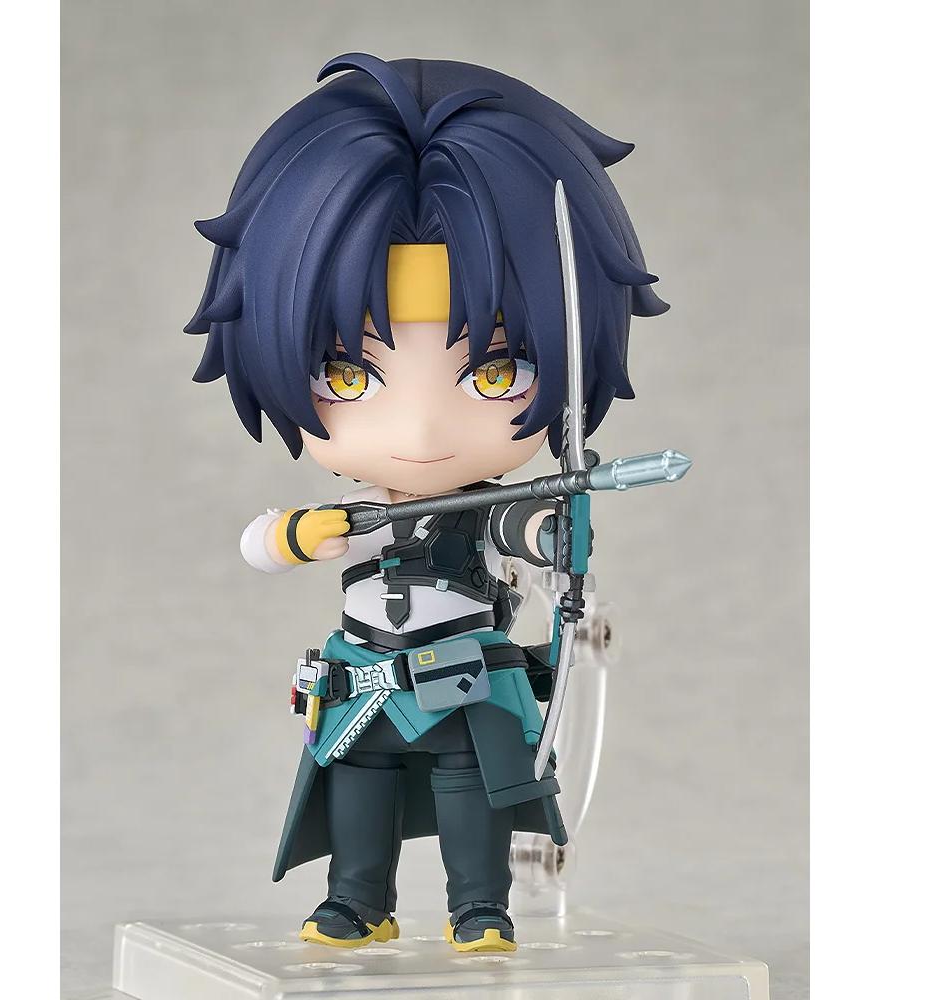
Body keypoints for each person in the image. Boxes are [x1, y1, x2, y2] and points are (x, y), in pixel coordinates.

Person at [187, 52, 667, 952]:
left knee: (472, 791)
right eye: (346, 373)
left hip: (463, 676)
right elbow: (261, 545)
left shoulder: (495, 507)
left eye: (494, 371)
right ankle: (356, 901)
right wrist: (301, 534)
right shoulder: (353, 511)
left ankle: (479, 906)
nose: (418, 429)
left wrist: (562, 550)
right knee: (356, 787)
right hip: (361, 673)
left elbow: (534, 532)